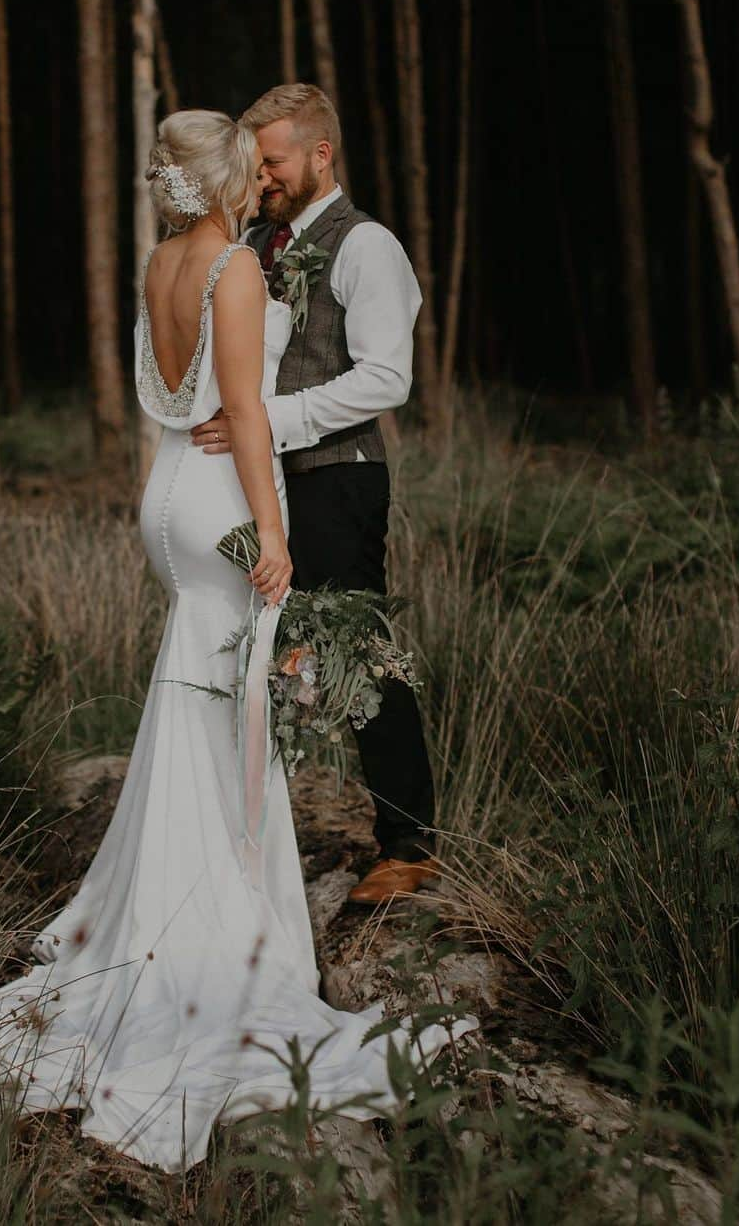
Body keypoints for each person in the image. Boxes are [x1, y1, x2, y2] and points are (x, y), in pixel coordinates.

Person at [0, 109, 477, 1173]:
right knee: (231, 701)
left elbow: (206, 393)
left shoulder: (163, 259)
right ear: (229, 175)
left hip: (165, 502)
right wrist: (272, 536)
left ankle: (181, 882)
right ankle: (218, 918)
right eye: (253, 160)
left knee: (195, 684)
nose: (265, 172)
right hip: (222, 506)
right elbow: (243, 409)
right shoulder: (237, 266)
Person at [190, 84, 439, 905]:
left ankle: (408, 844)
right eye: (253, 162)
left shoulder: (368, 247)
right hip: (252, 488)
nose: (259, 176)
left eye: (274, 160)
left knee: (359, 655)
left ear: (321, 154)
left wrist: (269, 419)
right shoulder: (252, 242)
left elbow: (386, 378)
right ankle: (246, 834)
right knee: (255, 653)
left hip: (337, 478)